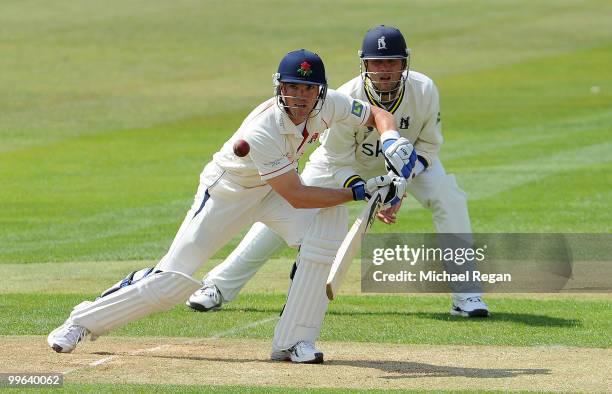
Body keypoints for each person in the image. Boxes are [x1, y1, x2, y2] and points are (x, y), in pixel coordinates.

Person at [47, 49, 415, 354]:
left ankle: (294, 341)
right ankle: (82, 320)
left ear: (320, 92)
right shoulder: (263, 129)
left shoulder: (329, 105)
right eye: (291, 88)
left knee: (324, 238)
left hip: (273, 190)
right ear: (279, 88)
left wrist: (390, 141)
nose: (298, 98)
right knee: (173, 281)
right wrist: (358, 192)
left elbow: (378, 114)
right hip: (229, 194)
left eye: (307, 89)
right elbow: (299, 196)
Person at [186, 26, 489, 363]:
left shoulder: (424, 89)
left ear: (404, 64)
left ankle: (467, 295)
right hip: (339, 165)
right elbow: (339, 159)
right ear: (364, 65)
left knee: (450, 198)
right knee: (284, 211)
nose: (384, 69)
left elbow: (429, 146)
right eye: (377, 62)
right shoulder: (347, 95)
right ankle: (219, 286)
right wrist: (370, 190)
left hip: (407, 165)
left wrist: (400, 184)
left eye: (391, 62)